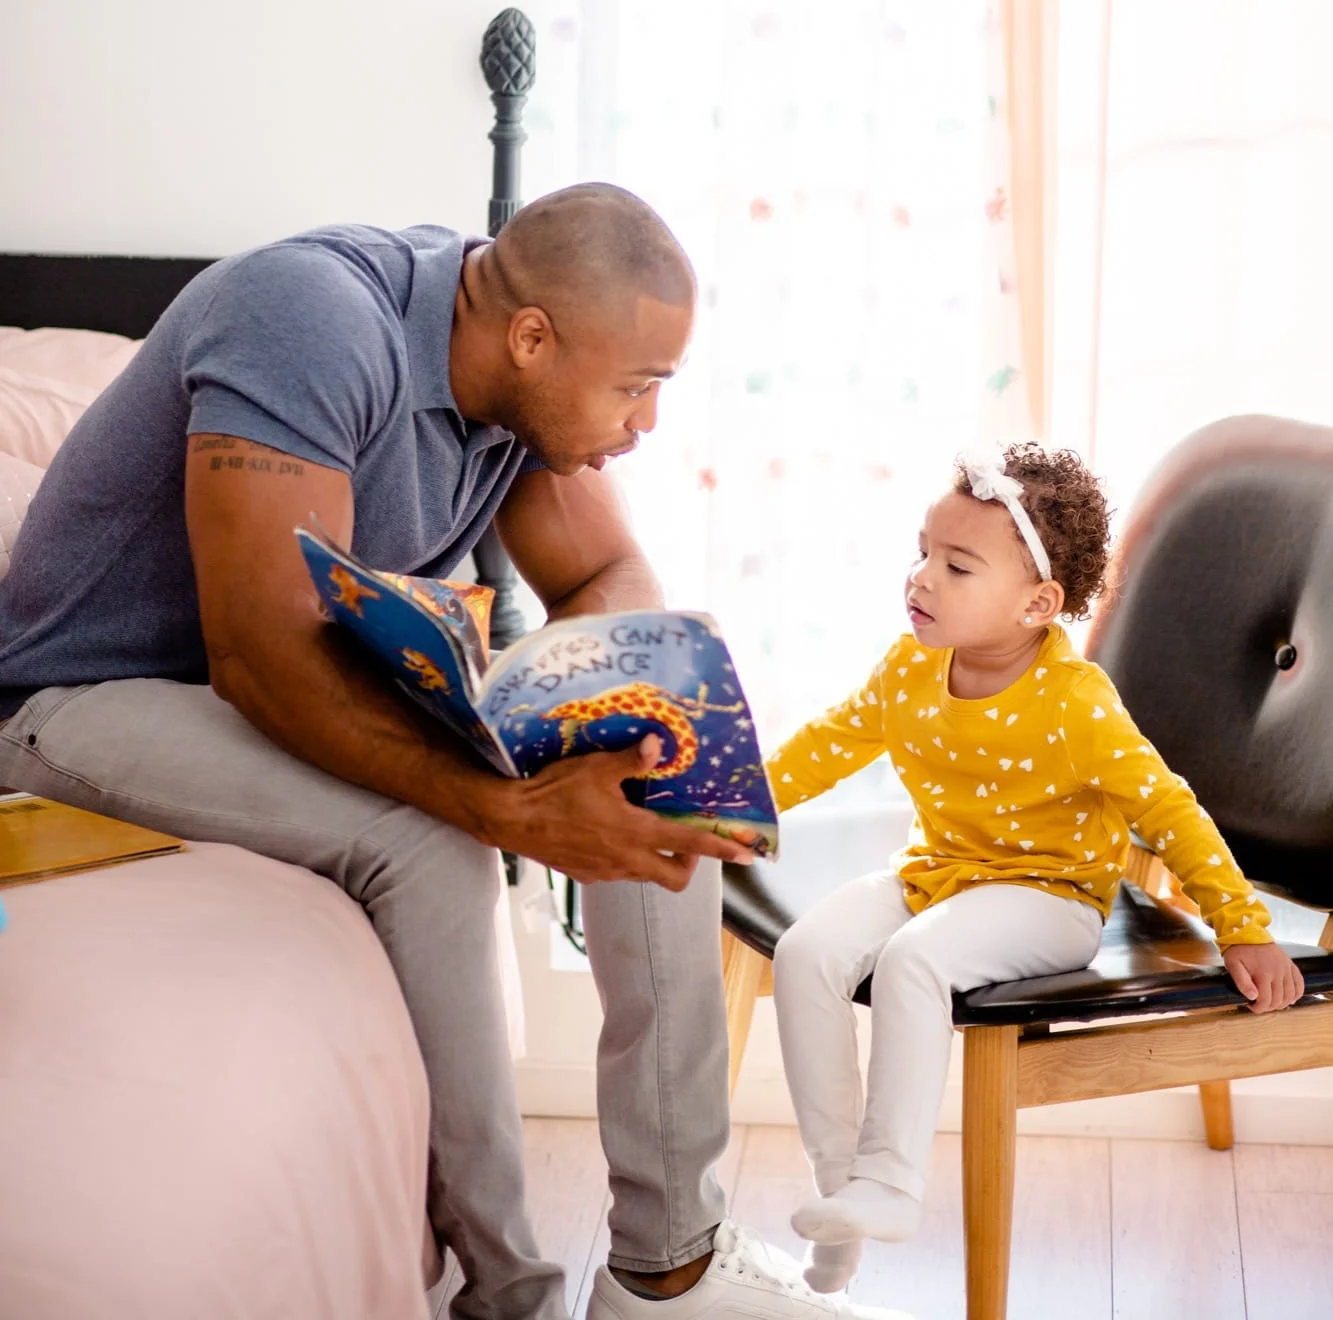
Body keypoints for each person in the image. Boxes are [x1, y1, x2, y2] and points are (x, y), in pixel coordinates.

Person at [0, 185, 907, 1320]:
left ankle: (664, 1265)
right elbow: (259, 651)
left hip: (259, 680)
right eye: (636, 386)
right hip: (84, 695)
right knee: (431, 843)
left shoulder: (512, 378)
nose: (645, 423)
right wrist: (507, 809)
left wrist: (613, 715)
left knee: (652, 775)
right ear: (533, 336)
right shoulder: (306, 319)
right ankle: (507, 1291)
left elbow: (603, 579)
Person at [766, 441, 1305, 1294]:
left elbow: (1168, 812)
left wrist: (1242, 929)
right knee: (803, 953)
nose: (920, 578)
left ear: (1036, 604)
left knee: (914, 962)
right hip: (938, 873)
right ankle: (841, 1192)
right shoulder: (910, 668)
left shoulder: (1075, 704)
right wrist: (736, 806)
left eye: (956, 566)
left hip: (1048, 899)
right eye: (921, 552)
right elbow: (826, 746)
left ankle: (890, 1183)